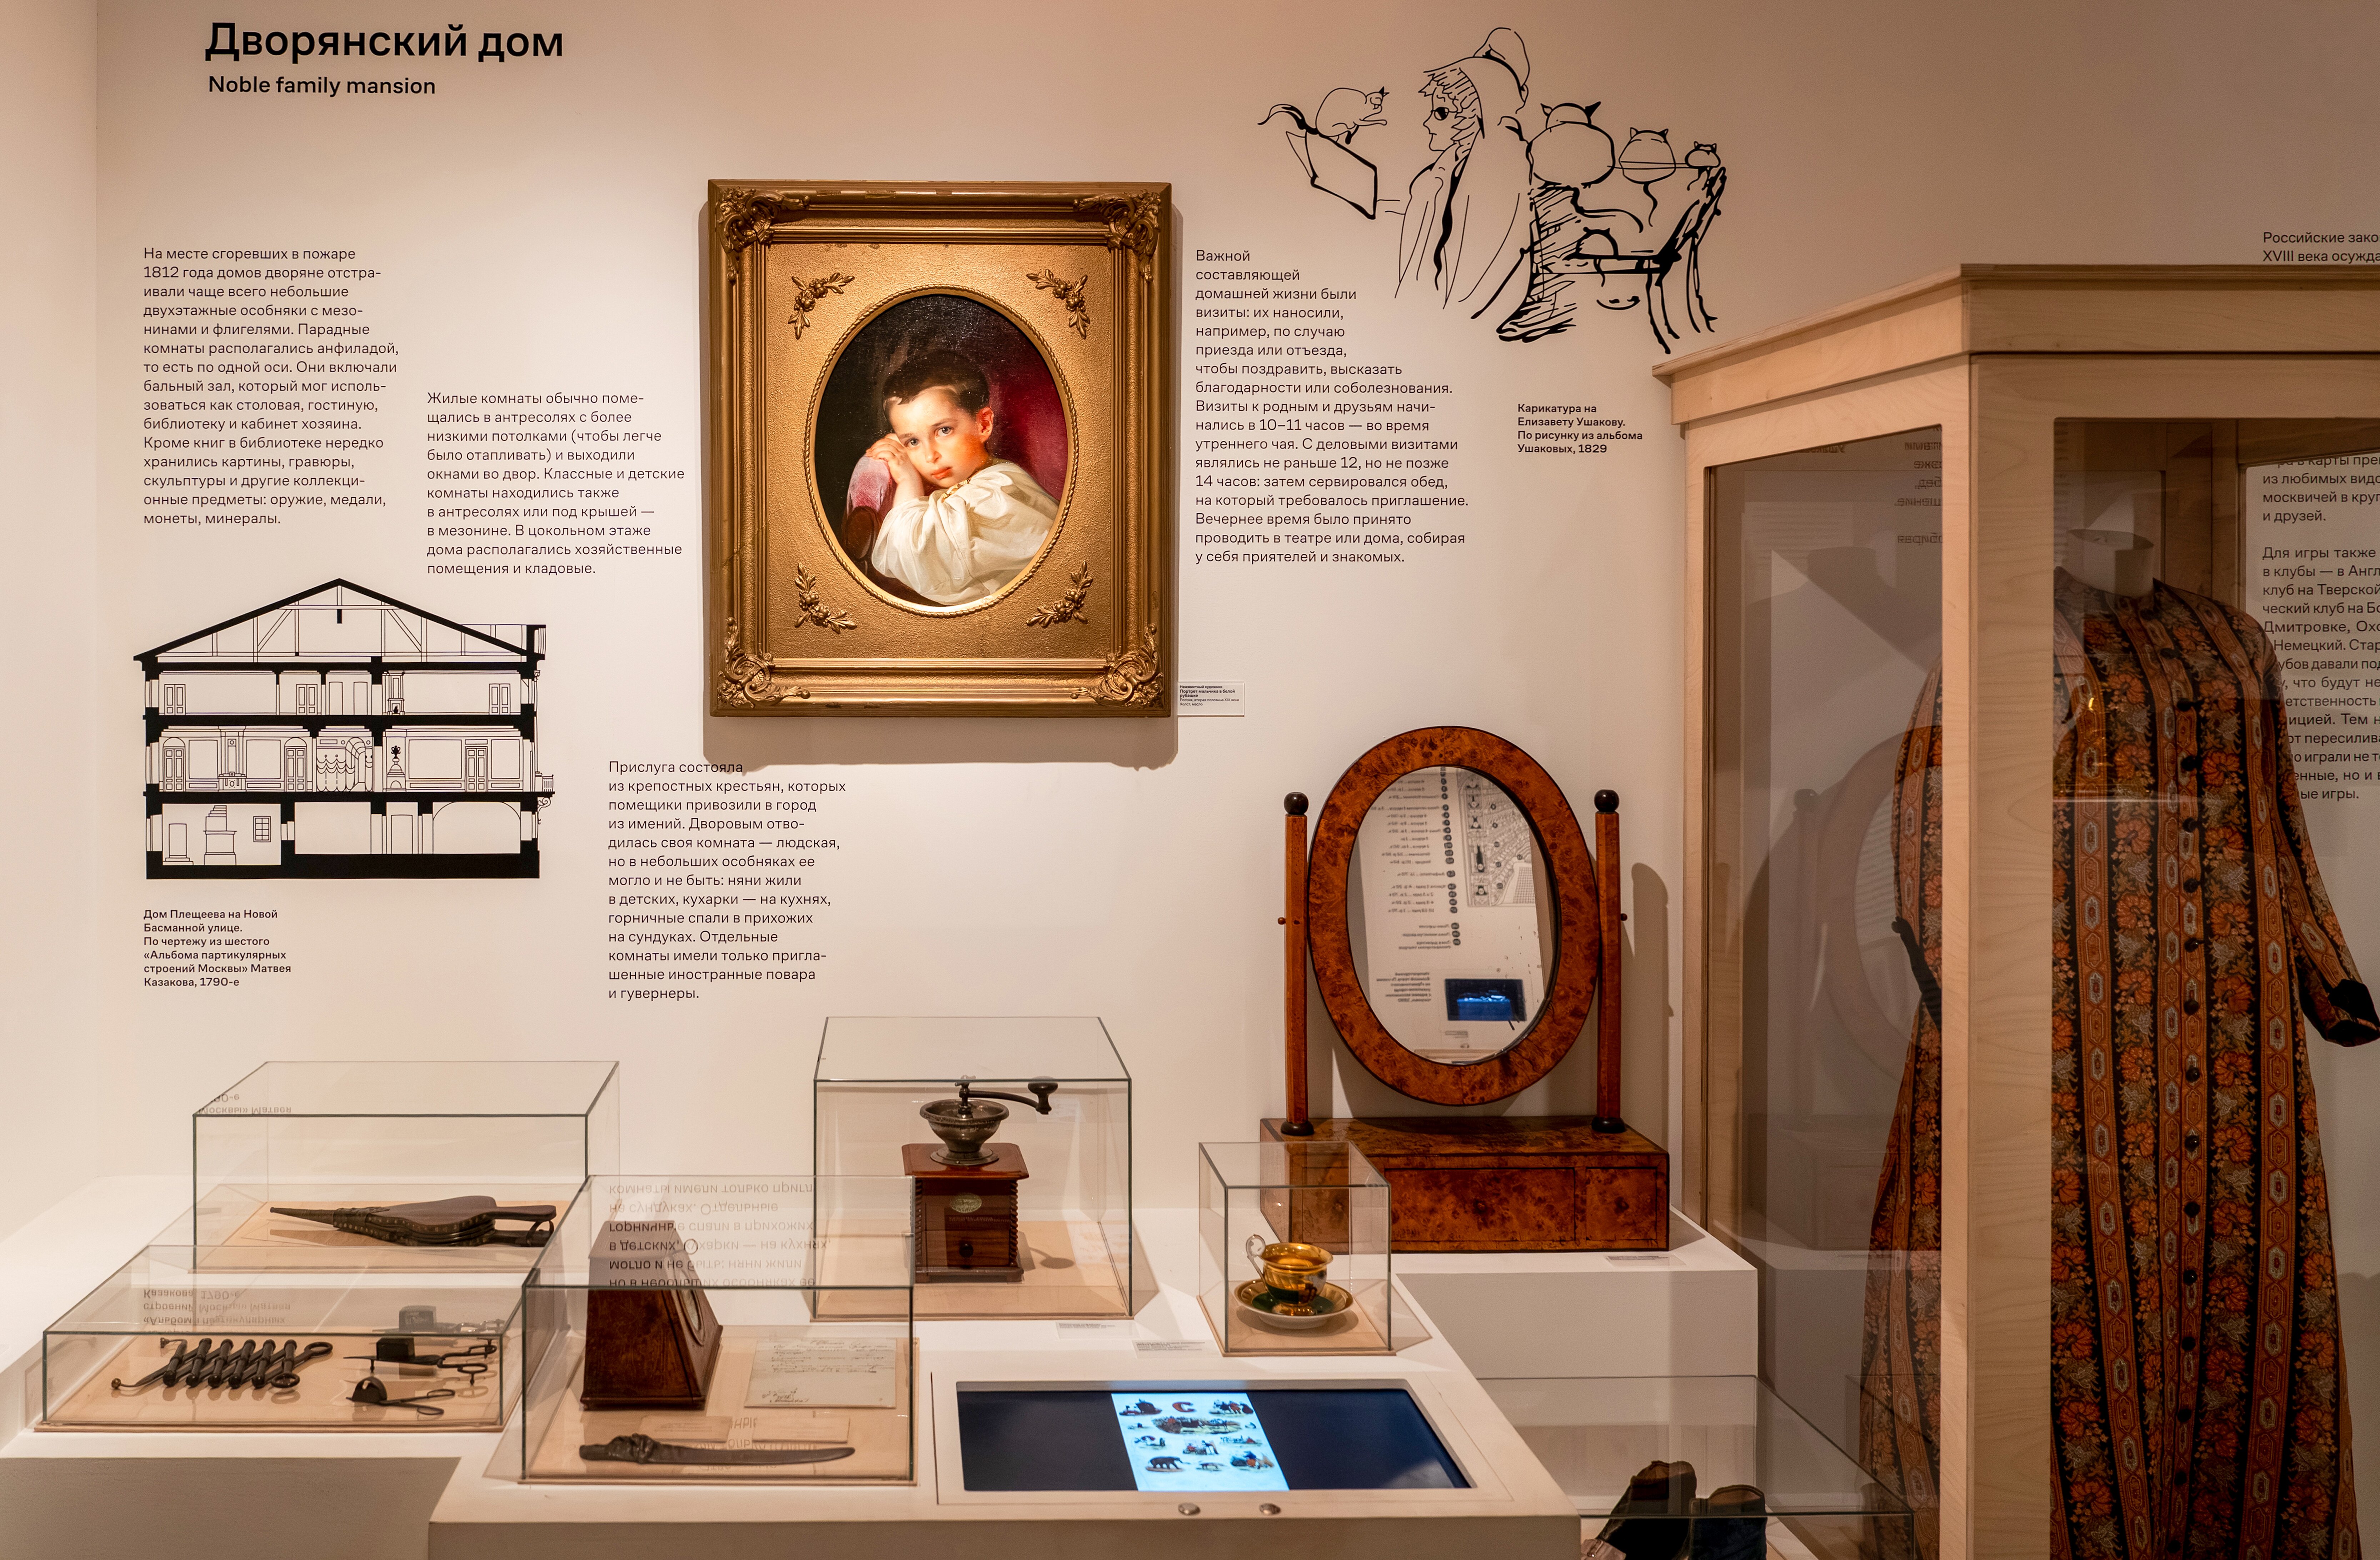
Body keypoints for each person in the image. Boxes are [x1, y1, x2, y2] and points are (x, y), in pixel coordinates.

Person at [864, 350, 1058, 605]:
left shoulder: (1000, 492)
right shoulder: (970, 487)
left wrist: (909, 482)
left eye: (944, 430)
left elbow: (913, 553)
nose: (930, 456)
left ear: (983, 424)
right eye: (913, 442)